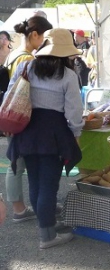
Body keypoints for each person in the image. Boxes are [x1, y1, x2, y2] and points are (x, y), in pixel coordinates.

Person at [6, 28, 83, 248]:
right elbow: (74, 111)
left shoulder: (26, 66)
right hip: (53, 134)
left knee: (35, 182)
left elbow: (12, 94)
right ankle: (47, 236)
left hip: (27, 131)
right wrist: (76, 133)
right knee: (49, 184)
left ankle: (46, 224)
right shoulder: (68, 75)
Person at [4, 16, 53, 223]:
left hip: (12, 116)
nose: (43, 42)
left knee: (16, 162)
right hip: (23, 118)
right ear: (34, 35)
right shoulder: (27, 59)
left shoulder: (13, 55)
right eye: (42, 37)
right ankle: (19, 209)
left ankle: (21, 207)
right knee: (18, 164)